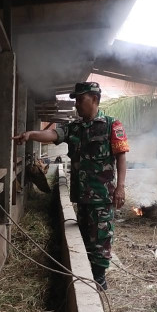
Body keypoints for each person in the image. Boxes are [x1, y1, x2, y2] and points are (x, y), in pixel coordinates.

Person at [13, 81, 129, 290]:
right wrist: (32, 134)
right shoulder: (75, 127)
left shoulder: (112, 124)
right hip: (82, 195)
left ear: (94, 99)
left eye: (80, 99)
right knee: (85, 235)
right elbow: (54, 135)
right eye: (74, 100)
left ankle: (100, 279)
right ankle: (86, 275)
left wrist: (120, 187)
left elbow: (121, 156)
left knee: (101, 237)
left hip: (102, 196)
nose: (76, 104)